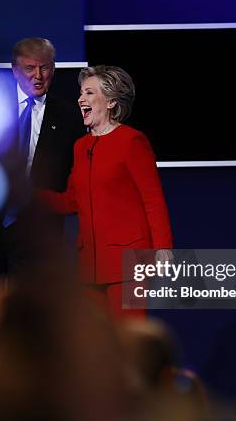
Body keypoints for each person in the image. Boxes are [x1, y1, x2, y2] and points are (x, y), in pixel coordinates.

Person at [39, 65, 173, 317]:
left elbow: (153, 200)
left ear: (111, 102)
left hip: (128, 263)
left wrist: (163, 248)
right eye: (81, 93)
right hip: (89, 264)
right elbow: (71, 201)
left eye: (89, 93)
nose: (81, 99)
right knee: (98, 346)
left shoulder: (132, 141)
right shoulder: (81, 147)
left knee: (128, 342)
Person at [0, 37, 84, 294]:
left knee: (31, 318)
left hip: (35, 233)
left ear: (53, 69)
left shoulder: (69, 118)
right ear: (14, 70)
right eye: (29, 68)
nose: (37, 75)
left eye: (44, 68)